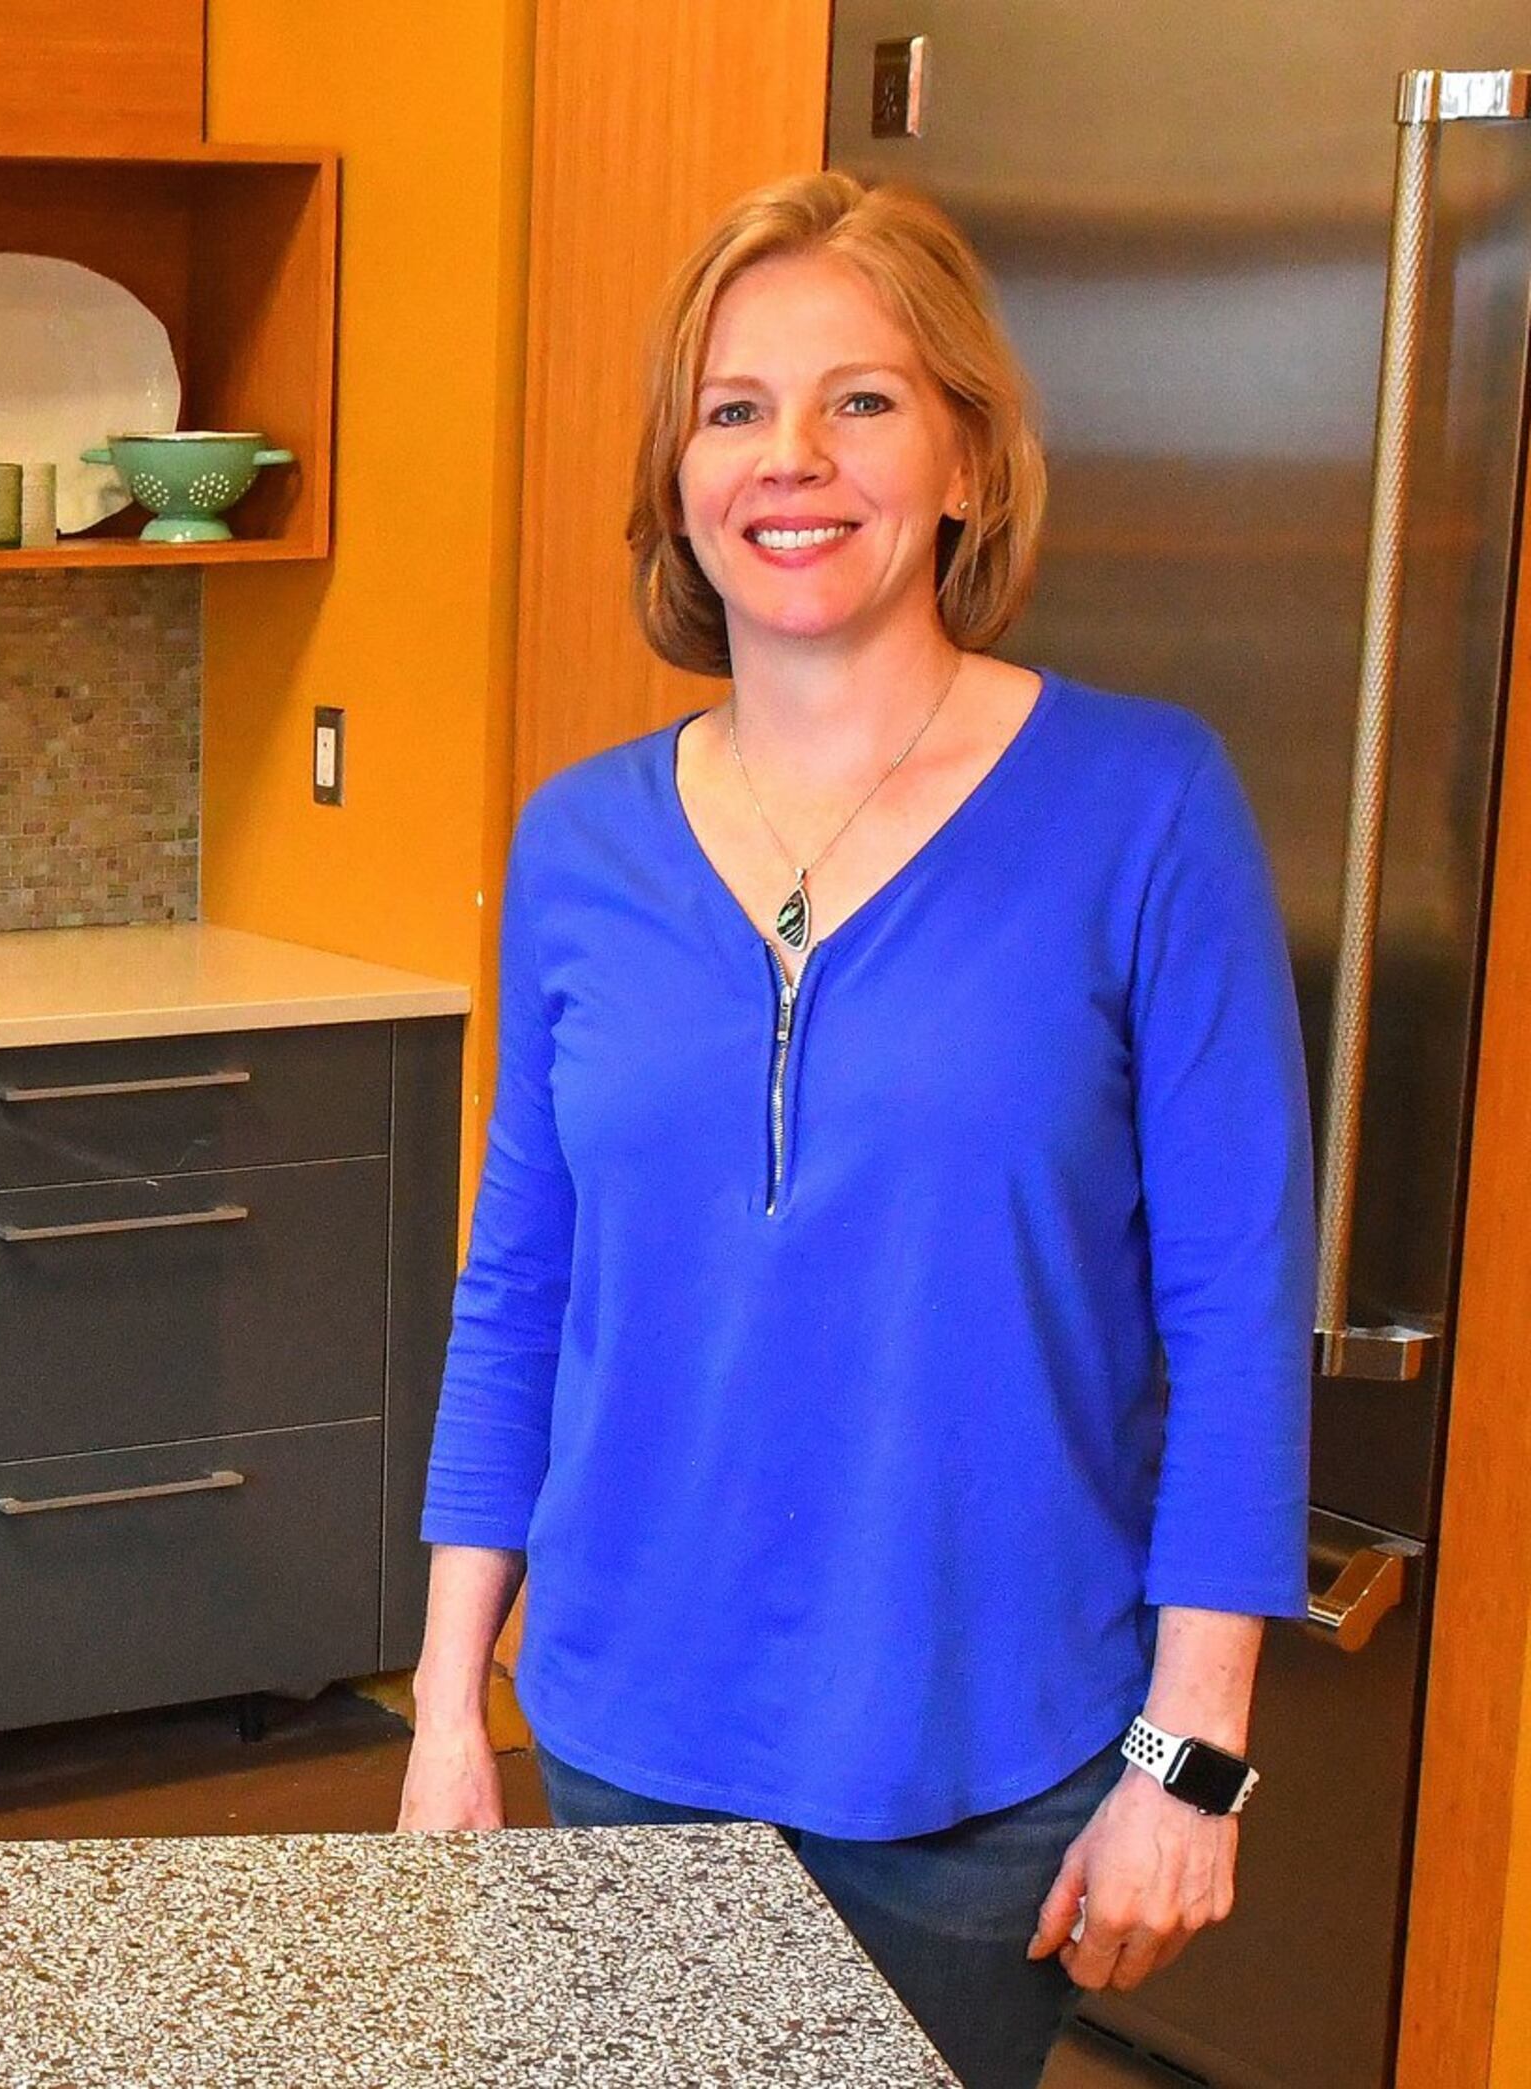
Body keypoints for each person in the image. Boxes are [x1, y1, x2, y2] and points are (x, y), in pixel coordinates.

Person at [393, 171, 1312, 2089]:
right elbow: (520, 1292)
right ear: (677, 478)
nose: (791, 459)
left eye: (863, 401)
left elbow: (1238, 1320)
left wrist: (1191, 1758)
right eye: (734, 408)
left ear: (968, 457)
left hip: (984, 1765)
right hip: (628, 1735)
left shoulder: (1144, 808)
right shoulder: (580, 842)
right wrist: (447, 1706)